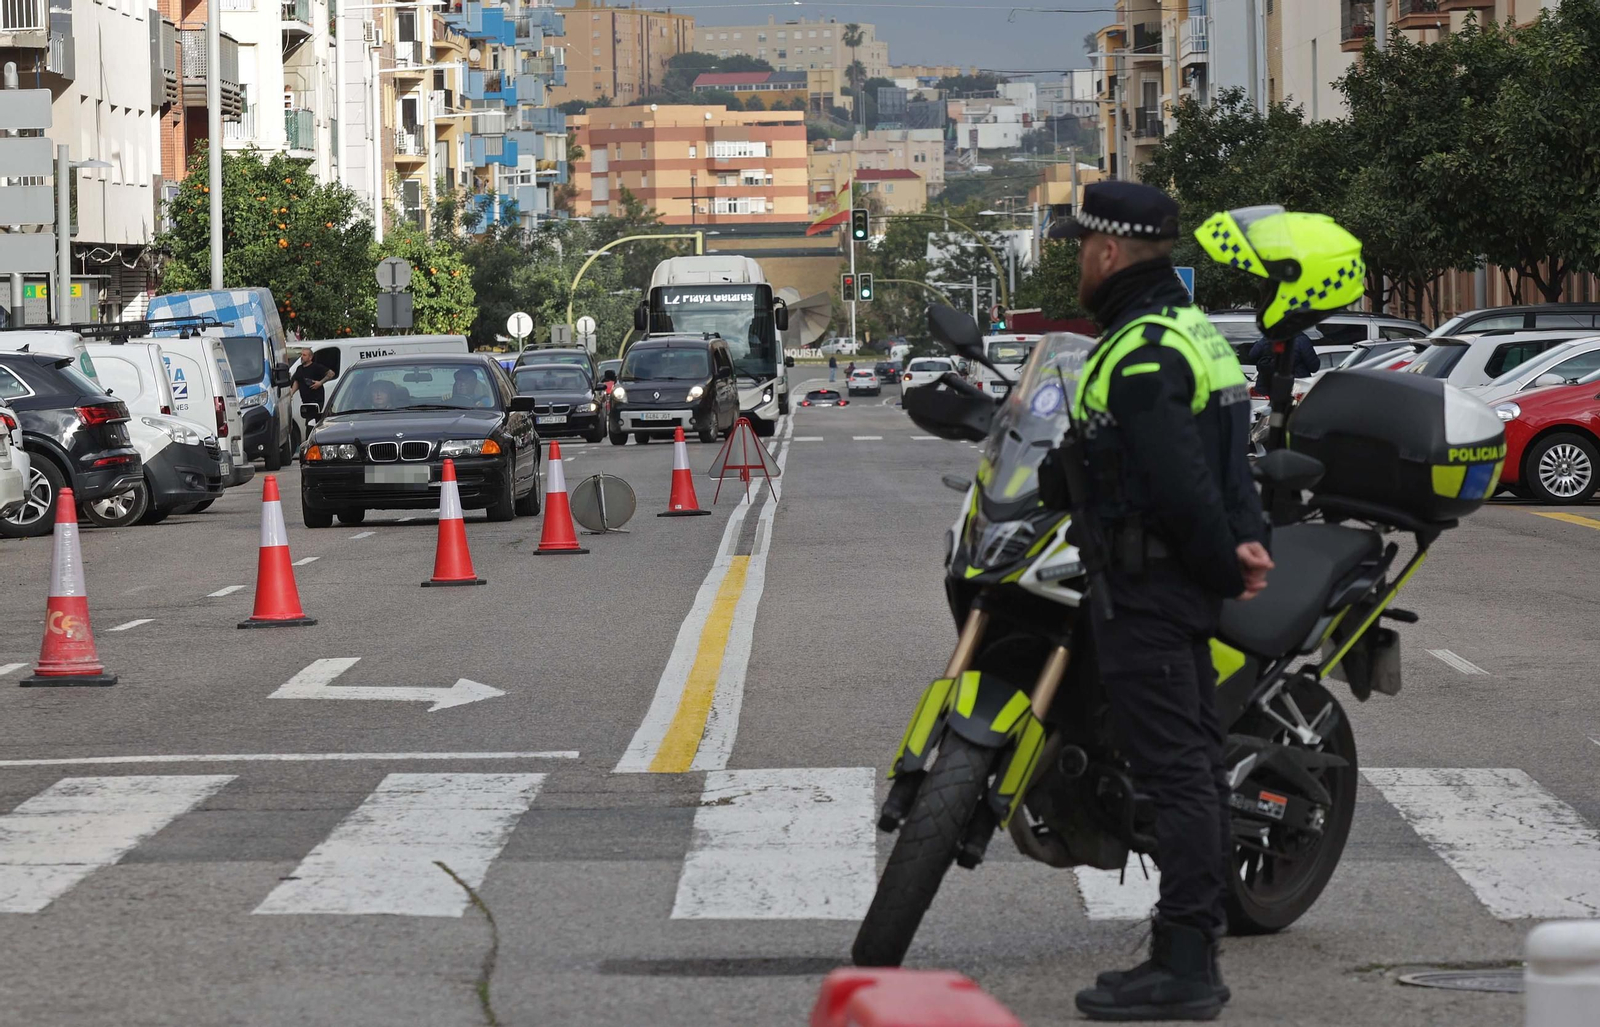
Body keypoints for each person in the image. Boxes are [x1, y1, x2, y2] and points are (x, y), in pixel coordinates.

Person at [1047, 181, 1272, 1022]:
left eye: (1080, 248)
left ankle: (1186, 964)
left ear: (1108, 253)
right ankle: (1187, 953)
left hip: (1147, 588)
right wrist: (1246, 545)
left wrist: (1221, 558)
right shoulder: (1192, 334)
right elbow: (1230, 462)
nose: (1077, 261)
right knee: (1195, 767)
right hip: (1174, 586)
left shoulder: (1140, 352)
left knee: (1178, 774)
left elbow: (1179, 481)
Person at [1247, 330, 1319, 383]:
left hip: (1269, 383)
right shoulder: (1301, 340)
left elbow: (1252, 355)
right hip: (1296, 384)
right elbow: (1314, 367)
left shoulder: (1267, 339)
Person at [291, 347, 334, 412]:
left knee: (311, 420)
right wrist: (291, 393)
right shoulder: (299, 368)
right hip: (305, 402)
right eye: (301, 355)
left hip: (316, 401)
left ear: (310, 357)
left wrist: (320, 383)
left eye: (304, 355)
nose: (302, 357)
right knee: (309, 420)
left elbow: (331, 374)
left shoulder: (316, 367)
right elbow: (297, 381)